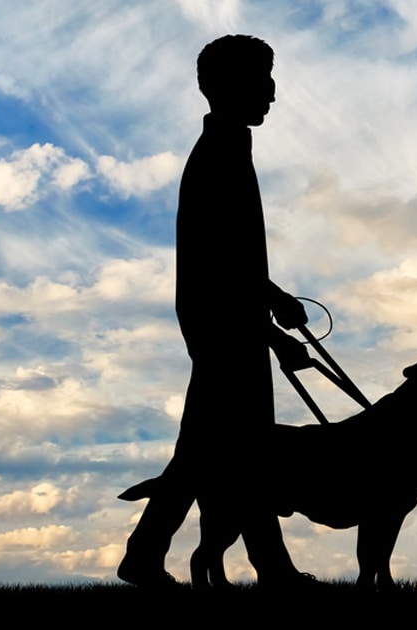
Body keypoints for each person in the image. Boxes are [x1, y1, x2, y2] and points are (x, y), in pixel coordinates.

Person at [118, 34, 312, 589]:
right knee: (239, 450)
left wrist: (273, 300)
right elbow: (220, 264)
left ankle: (151, 556)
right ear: (226, 86)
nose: (272, 92)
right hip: (225, 327)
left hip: (223, 323)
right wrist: (271, 334)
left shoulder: (226, 148)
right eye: (261, 80)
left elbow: (232, 258)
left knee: (215, 451)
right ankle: (270, 570)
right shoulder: (220, 154)